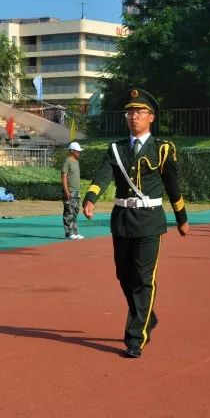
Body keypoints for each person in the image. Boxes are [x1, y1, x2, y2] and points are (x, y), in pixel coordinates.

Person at [82, 88, 188, 359]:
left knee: (143, 277)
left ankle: (135, 337)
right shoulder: (116, 149)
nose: (133, 117)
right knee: (124, 275)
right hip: (122, 220)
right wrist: (90, 199)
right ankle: (147, 315)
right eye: (129, 112)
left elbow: (172, 184)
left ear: (151, 117)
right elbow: (103, 174)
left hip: (150, 221)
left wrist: (181, 218)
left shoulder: (162, 149)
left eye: (139, 112)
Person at [61, 142, 85, 240]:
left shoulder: (76, 161)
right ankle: (69, 233)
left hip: (76, 191)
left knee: (75, 212)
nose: (79, 152)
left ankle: (75, 232)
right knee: (68, 212)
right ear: (72, 151)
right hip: (70, 191)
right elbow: (64, 176)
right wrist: (66, 191)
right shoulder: (67, 161)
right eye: (77, 151)